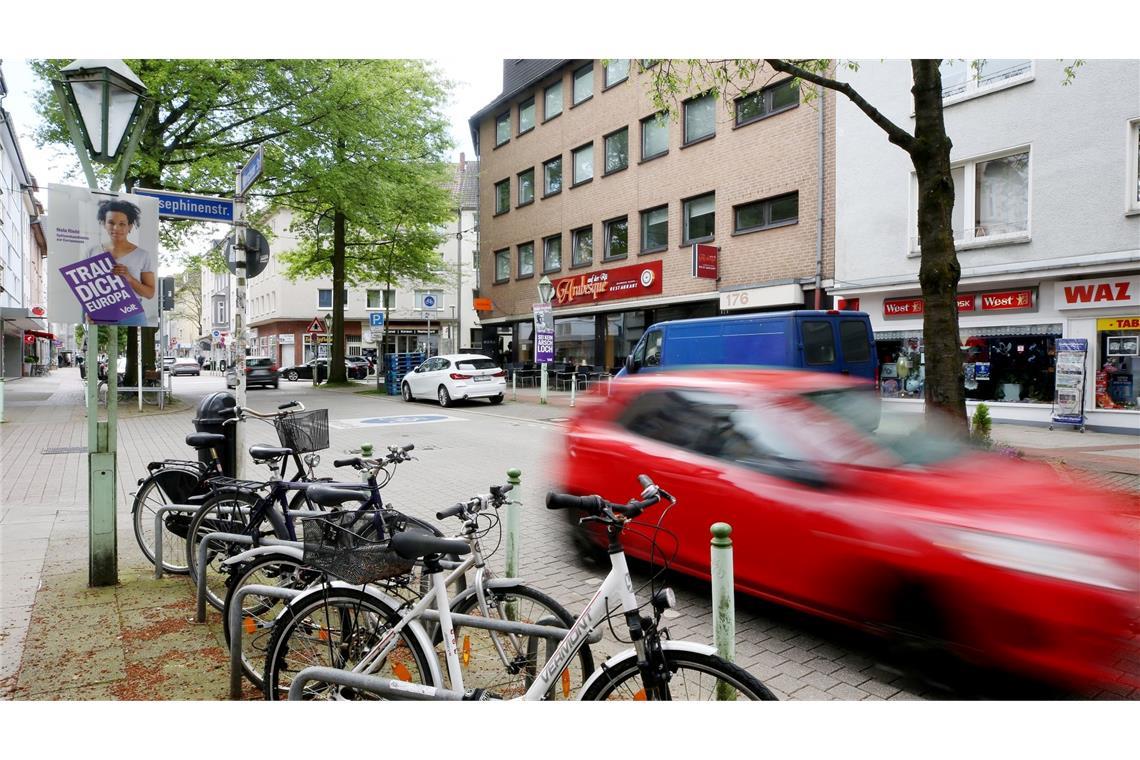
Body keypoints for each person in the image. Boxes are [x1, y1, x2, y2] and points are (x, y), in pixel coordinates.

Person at [85, 199, 156, 327]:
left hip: (131, 313)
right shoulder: (92, 251)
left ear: (129, 226)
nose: (116, 228)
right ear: (103, 224)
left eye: (122, 224)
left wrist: (129, 279)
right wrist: (88, 312)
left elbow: (150, 293)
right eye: (111, 222)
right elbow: (85, 288)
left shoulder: (142, 255)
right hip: (101, 312)